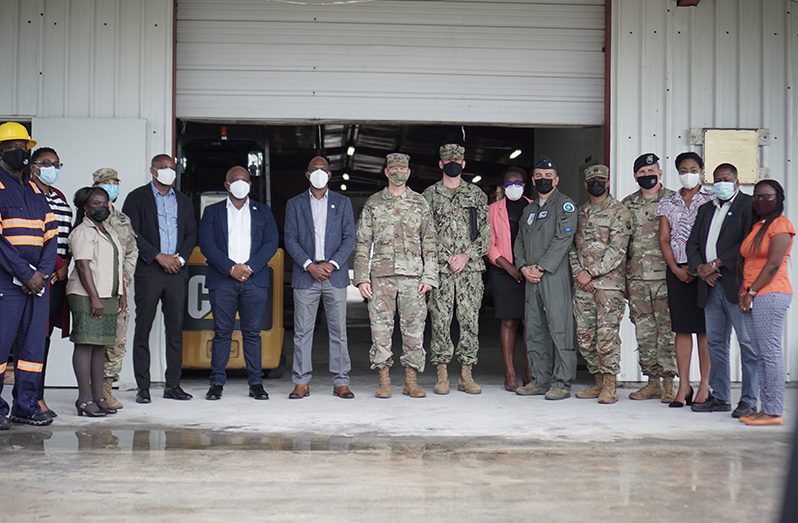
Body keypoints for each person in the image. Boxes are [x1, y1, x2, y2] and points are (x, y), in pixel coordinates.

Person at [354, 153, 438, 399]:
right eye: (394, 168)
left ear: (409, 172)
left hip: (413, 277)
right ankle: (384, 380)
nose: (398, 172)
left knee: (414, 329)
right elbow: (362, 242)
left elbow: (430, 242)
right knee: (380, 329)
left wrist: (429, 276)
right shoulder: (374, 203)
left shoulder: (420, 203)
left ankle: (411, 381)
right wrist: (362, 277)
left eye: (403, 168)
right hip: (381, 276)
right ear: (387, 172)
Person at [122, 154, 197, 403]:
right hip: (150, 270)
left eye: (172, 168)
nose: (168, 172)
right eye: (163, 168)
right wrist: (157, 256)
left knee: (175, 329)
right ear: (152, 170)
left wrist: (180, 260)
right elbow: (131, 231)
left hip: (177, 271)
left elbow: (191, 234)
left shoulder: (184, 201)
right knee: (143, 328)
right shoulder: (137, 197)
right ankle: (143, 388)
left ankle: (173, 385)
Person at [199, 166, 278, 401]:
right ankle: (216, 384)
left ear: (250, 184)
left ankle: (256, 383)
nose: (240, 184)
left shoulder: (263, 212)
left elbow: (271, 243)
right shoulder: (212, 212)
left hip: (254, 280)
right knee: (222, 332)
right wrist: (230, 268)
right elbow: (206, 244)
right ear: (227, 185)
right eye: (235, 180)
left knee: (252, 333)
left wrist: (250, 267)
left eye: (244, 180)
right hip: (223, 280)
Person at [686, 163, 757, 417]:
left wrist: (717, 263)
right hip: (709, 285)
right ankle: (720, 396)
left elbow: (746, 243)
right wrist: (700, 268)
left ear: (736, 181)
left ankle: (749, 400)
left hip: (735, 285)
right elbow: (692, 242)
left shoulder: (748, 206)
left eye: (726, 179)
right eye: (717, 179)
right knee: (716, 343)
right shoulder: (706, 209)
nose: (721, 183)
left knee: (747, 344)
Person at [284, 156, 356, 400]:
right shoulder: (294, 204)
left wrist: (332, 264)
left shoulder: (342, 202)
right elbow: (290, 238)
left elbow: (349, 238)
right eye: (314, 169)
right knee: (303, 331)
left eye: (323, 169)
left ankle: (341, 381)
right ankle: (301, 382)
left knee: (339, 330)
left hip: (334, 276)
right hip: (306, 276)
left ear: (329, 174)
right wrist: (309, 265)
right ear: (307, 175)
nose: (318, 173)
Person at [0, 122, 57, 428]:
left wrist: (42, 275)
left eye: (23, 147)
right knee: (1, 346)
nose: (19, 152)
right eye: (11, 148)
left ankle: (25, 405)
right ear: (0, 151)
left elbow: (51, 233)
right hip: (6, 283)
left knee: (33, 349)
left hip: (37, 284)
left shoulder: (34, 189)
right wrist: (25, 274)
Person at [422, 144, 489, 395]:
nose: (453, 163)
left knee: (470, 320)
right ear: (440, 164)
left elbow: (486, 235)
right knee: (440, 320)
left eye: (457, 160)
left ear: (464, 164)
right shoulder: (429, 195)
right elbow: (425, 234)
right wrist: (447, 257)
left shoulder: (477, 195)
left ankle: (466, 374)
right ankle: (441, 375)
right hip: (441, 270)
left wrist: (465, 256)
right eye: (448, 159)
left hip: (469, 270)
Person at [514, 156, 578, 400]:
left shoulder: (565, 205)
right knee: (535, 328)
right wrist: (522, 268)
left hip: (553, 275)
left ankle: (561, 382)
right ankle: (539, 380)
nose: (543, 180)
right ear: (532, 179)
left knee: (559, 327)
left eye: (548, 177)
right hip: (531, 277)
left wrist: (540, 268)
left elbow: (563, 239)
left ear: (556, 179)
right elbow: (519, 241)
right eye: (538, 177)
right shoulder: (529, 209)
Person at [570, 164, 632, 404]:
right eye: (592, 180)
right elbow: (571, 247)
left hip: (608, 285)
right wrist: (579, 274)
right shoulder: (580, 212)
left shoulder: (619, 211)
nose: (596, 183)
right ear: (586, 185)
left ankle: (610, 385)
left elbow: (618, 250)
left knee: (606, 335)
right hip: (583, 285)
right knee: (585, 336)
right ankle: (597, 381)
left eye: (601, 180)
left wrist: (591, 273)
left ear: (607, 183)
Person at [656, 152, 714, 408]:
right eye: (683, 169)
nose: (688, 173)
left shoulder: (712, 199)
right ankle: (684, 386)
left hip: (706, 272)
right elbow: (664, 239)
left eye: (692, 168)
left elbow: (717, 236)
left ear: (701, 170)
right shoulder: (669, 202)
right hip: (677, 271)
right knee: (682, 329)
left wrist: (703, 268)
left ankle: (705, 385)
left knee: (704, 330)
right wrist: (676, 269)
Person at [738, 180, 794, 426]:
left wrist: (751, 291)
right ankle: (766, 408)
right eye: (757, 196)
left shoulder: (781, 225)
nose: (762, 200)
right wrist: (745, 293)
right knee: (760, 353)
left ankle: (773, 411)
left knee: (769, 353)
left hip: (770, 293)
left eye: (767, 196)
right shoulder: (758, 225)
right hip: (753, 293)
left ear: (779, 198)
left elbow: (772, 264)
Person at [66, 187, 125, 417]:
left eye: (105, 203)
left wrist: (122, 294)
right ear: (86, 208)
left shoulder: (108, 230)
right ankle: (84, 399)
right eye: (97, 203)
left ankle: (99, 396)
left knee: (100, 346)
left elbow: (117, 264)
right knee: (85, 344)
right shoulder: (83, 231)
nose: (103, 207)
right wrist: (94, 297)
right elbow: (82, 265)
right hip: (86, 296)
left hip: (107, 295)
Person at [622, 153, 676, 403]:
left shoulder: (674, 201)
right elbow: (621, 243)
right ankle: (652, 381)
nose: (647, 176)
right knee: (644, 331)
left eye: (651, 171)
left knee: (668, 332)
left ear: (660, 172)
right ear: (635, 176)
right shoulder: (627, 204)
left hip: (667, 277)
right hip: (637, 279)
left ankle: (668, 383)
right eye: (641, 173)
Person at [30, 146, 72, 418]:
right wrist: (53, 266)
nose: (51, 168)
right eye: (46, 163)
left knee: (44, 340)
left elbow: (65, 237)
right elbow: (33, 237)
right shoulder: (26, 193)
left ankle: (37, 395)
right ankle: (34, 398)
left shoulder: (58, 195)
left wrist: (66, 264)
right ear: (33, 165)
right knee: (31, 340)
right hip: (35, 276)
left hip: (58, 278)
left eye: (56, 164)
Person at [92, 168, 139, 409]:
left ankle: (107, 389)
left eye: (115, 182)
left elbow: (132, 250)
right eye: (107, 182)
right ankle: (91, 391)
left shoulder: (122, 219)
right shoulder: (87, 216)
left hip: (119, 290)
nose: (113, 186)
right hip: (95, 289)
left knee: (117, 340)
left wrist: (126, 277)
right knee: (93, 341)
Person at [487, 166, 531, 391]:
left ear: (524, 185)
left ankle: (529, 371)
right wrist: (509, 266)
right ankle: (510, 373)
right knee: (509, 321)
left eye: (518, 183)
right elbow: (489, 243)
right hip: (502, 270)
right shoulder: (493, 210)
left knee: (529, 322)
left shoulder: (534, 207)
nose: (513, 187)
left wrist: (526, 268)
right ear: (503, 187)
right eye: (509, 184)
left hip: (530, 271)